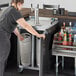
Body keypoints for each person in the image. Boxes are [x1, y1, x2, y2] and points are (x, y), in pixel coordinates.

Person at [0, 0, 45, 76]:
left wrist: (19, 35)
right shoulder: (15, 11)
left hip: (3, 34)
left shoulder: (8, 9)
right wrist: (38, 35)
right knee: (1, 60)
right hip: (2, 36)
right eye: (22, 5)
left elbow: (12, 26)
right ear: (19, 3)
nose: (22, 7)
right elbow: (26, 26)